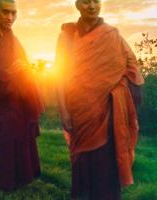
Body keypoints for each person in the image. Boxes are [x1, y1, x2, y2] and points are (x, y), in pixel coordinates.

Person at [55, 0, 144, 199]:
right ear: (78, 5)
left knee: (106, 163)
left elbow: (133, 69)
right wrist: (64, 111)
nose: (92, 6)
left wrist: (119, 89)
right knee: (82, 160)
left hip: (108, 112)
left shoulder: (112, 35)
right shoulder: (66, 37)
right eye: (86, 2)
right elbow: (59, 75)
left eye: (96, 1)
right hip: (79, 109)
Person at [0, 0, 43, 191]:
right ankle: (4, 183)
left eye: (14, 13)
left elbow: (25, 67)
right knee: (3, 141)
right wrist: (11, 74)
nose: (10, 17)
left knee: (21, 137)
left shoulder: (13, 39)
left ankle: (23, 177)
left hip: (18, 101)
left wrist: (24, 71)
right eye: (5, 12)